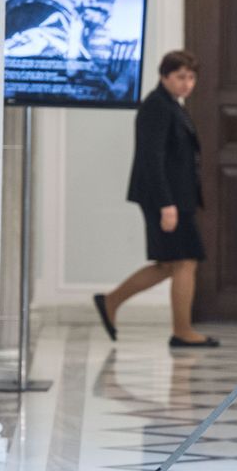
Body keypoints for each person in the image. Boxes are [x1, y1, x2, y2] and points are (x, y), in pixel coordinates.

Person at [93, 50, 219, 348]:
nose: (187, 83)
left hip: (176, 199)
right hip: (167, 200)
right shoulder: (157, 107)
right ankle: (182, 331)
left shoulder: (170, 105)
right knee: (186, 262)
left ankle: (111, 301)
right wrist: (166, 205)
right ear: (164, 77)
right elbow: (152, 158)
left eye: (191, 77)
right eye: (180, 77)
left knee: (168, 265)